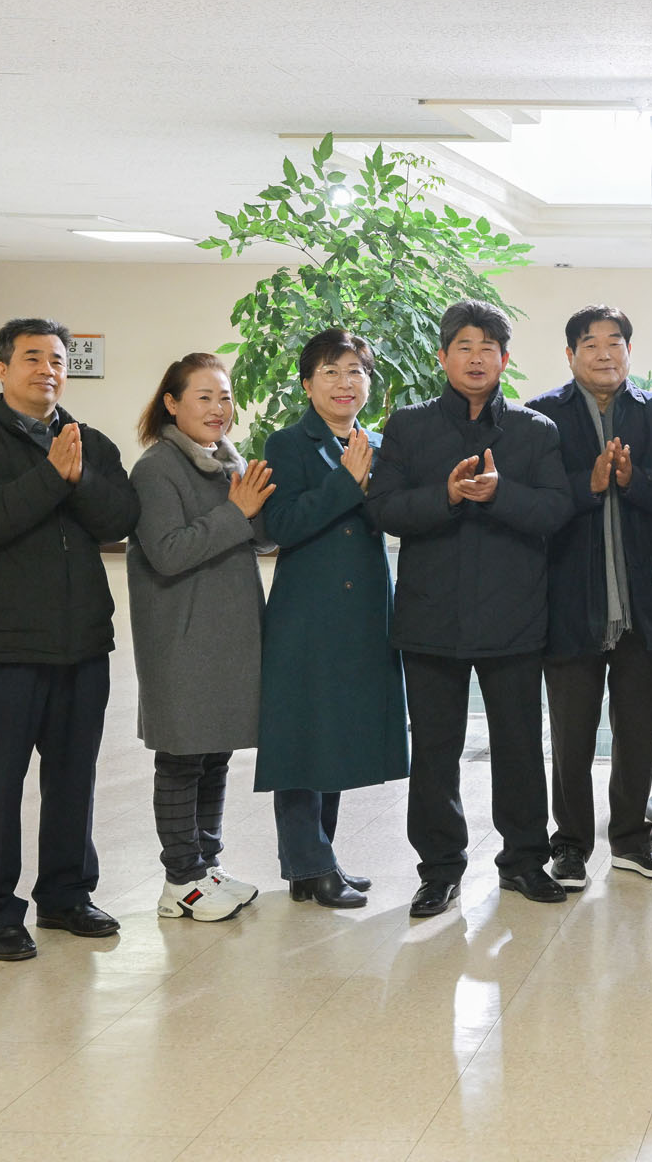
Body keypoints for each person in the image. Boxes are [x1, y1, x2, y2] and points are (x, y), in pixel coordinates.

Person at [0, 319, 141, 962]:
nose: (47, 369)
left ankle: (66, 896)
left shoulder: (89, 443)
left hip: (80, 642)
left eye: (57, 359)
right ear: (2, 369)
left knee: (74, 777)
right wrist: (51, 476)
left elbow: (119, 519)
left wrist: (78, 477)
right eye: (31, 358)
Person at [367, 300, 574, 918]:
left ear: (505, 359)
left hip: (515, 618)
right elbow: (384, 509)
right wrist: (448, 495)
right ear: (442, 356)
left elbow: (556, 510)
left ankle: (525, 861)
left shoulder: (536, 430)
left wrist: (500, 493)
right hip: (431, 619)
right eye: (464, 346)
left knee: (519, 747)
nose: (476, 357)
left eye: (488, 347)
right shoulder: (409, 427)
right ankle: (438, 870)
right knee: (435, 751)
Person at [530, 306, 652, 888]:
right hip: (569, 601)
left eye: (614, 342)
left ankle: (631, 839)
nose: (604, 353)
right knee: (571, 735)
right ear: (570, 354)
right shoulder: (541, 417)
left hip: (643, 603)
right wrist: (587, 486)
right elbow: (534, 502)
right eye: (590, 343)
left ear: (629, 352)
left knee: (637, 731)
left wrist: (631, 480)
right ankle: (570, 845)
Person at [257, 329, 409, 910]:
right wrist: (345, 482)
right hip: (308, 611)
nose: (346, 383)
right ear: (306, 384)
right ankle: (310, 863)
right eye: (331, 372)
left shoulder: (377, 442)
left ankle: (316, 862)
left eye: (356, 372)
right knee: (302, 736)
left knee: (336, 735)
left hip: (364, 610)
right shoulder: (288, 443)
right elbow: (281, 525)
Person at [126, 354, 275, 923]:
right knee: (182, 756)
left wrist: (255, 508)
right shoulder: (157, 468)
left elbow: (258, 538)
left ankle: (207, 865)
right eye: (204, 397)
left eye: (225, 397)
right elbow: (168, 552)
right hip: (182, 637)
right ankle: (180, 881)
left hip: (228, 634)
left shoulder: (225, 461)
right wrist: (237, 511)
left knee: (215, 754)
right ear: (172, 403)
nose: (219, 409)